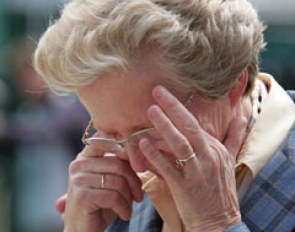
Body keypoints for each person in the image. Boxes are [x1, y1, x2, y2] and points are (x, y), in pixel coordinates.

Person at [33, 0, 295, 231]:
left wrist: (217, 225)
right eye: (112, 135)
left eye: (151, 132)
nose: (138, 165)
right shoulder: (112, 196)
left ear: (232, 85)